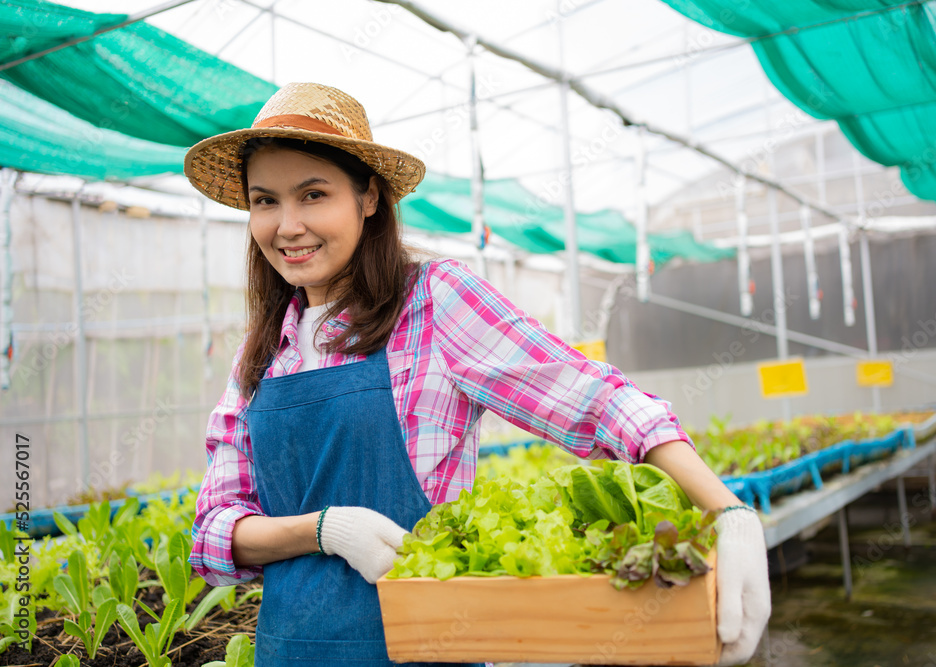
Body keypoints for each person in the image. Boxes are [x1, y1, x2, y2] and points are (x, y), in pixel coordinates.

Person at [185, 82, 770, 667]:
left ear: (368, 198)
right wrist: (324, 530)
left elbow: (594, 399)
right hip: (291, 652)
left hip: (429, 648)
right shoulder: (261, 353)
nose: (287, 226)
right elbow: (214, 529)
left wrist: (730, 512)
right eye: (265, 201)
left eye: (313, 194)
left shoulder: (433, 302)